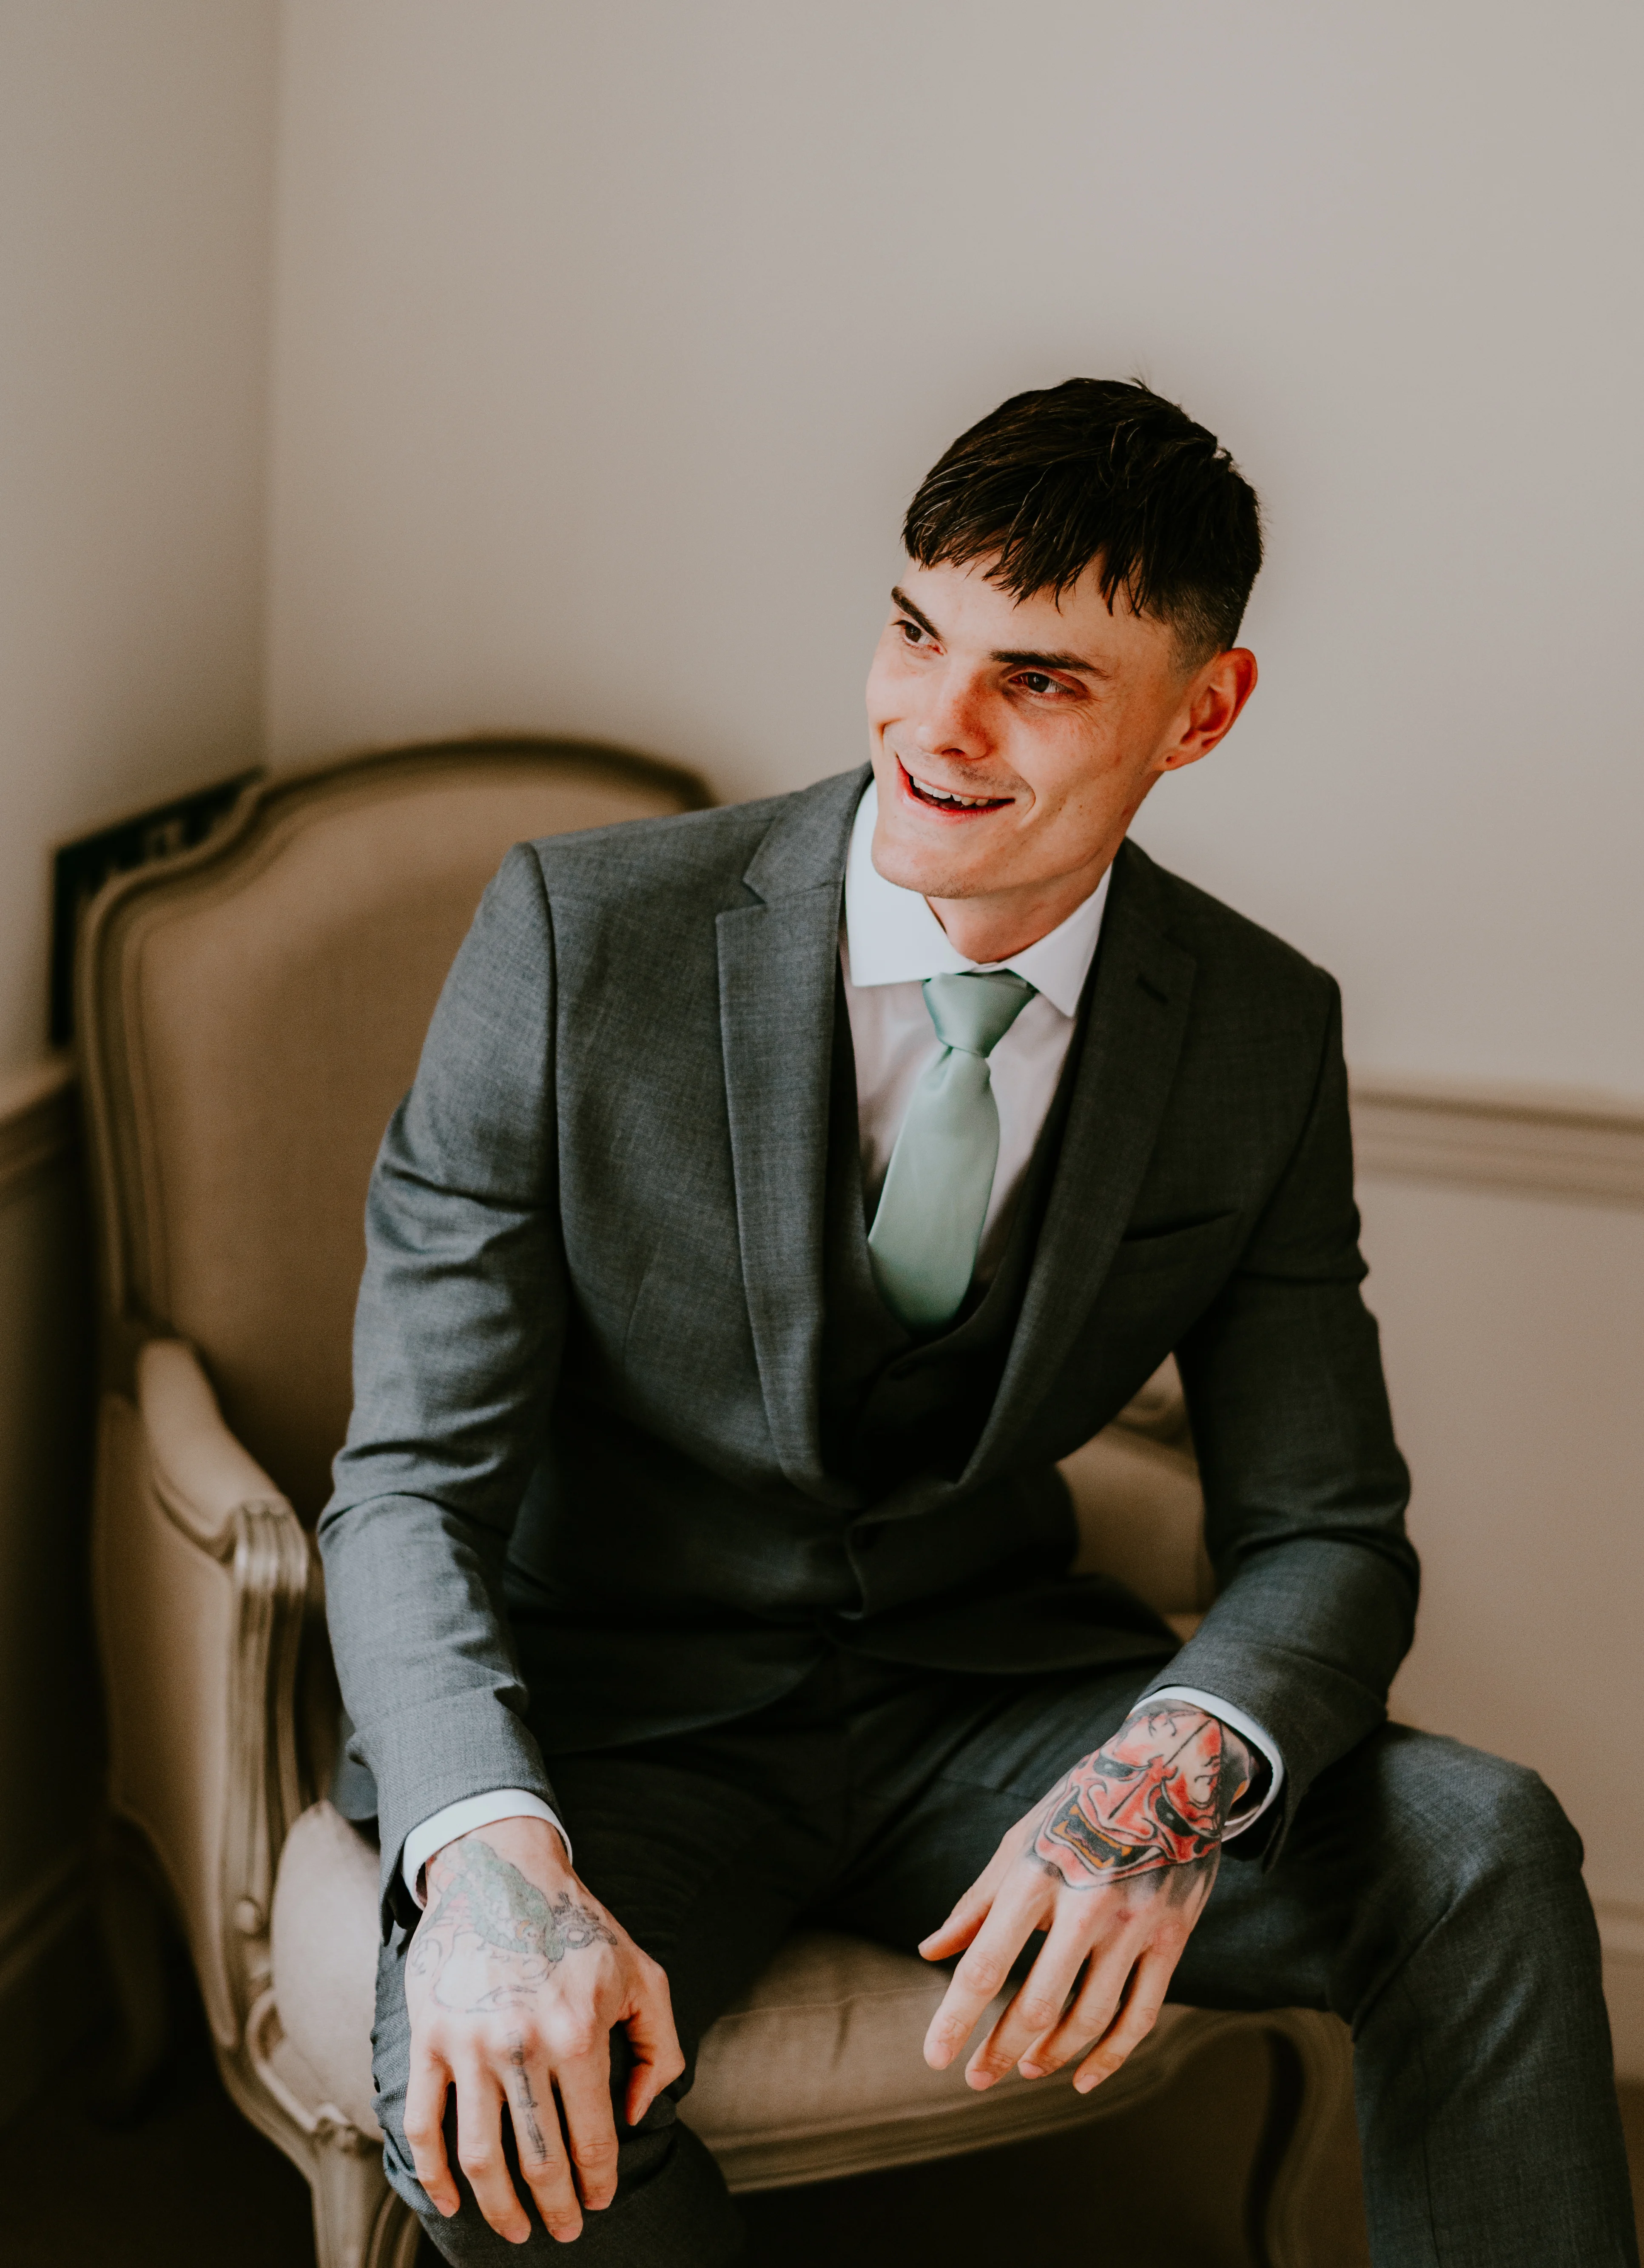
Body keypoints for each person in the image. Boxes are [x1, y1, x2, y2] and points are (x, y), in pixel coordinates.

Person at [318, 378, 1637, 2267]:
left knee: (1480, 1844)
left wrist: (1165, 1770)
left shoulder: (1258, 1033)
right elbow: (405, 1487)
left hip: (985, 1695)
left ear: (1206, 711)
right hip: (620, 1721)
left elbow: (1326, 1529)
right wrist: (488, 1850)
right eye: (916, 630)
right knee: (506, 2125)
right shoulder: (572, 940)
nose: (932, 724)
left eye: (1039, 678)